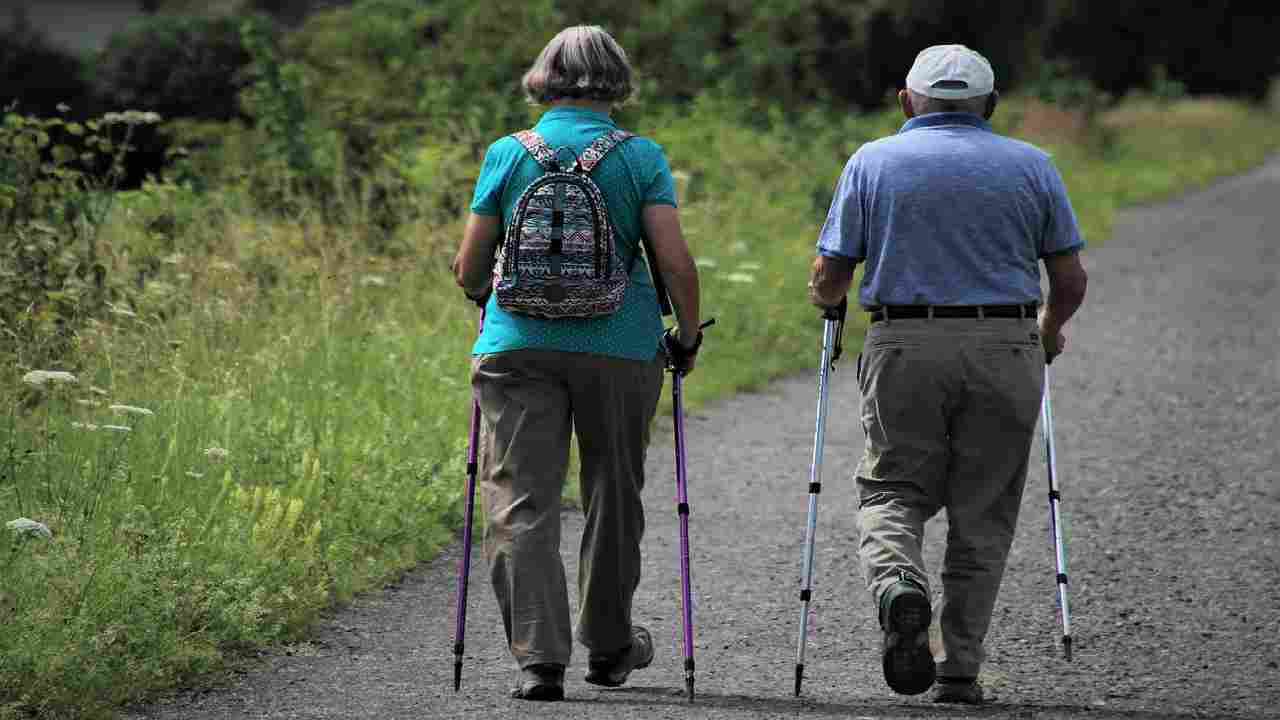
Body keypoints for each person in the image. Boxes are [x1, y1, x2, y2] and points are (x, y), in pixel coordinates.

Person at [808, 44, 1088, 704]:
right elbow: (1070, 279)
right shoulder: (1033, 166)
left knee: (891, 491)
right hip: (1006, 343)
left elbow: (830, 274)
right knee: (983, 513)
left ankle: (900, 587)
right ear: (990, 105)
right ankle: (960, 668)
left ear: (908, 101)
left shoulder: (872, 161)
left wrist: (827, 303)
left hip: (904, 341)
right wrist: (1046, 333)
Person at [452, 25, 703, 702]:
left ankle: (540, 660)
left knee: (522, 499)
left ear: (544, 78)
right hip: (620, 346)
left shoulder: (508, 153)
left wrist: (487, 297)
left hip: (517, 348)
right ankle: (611, 645)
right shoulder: (640, 156)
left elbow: (469, 265)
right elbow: (673, 259)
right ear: (617, 80)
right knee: (612, 492)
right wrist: (683, 333)